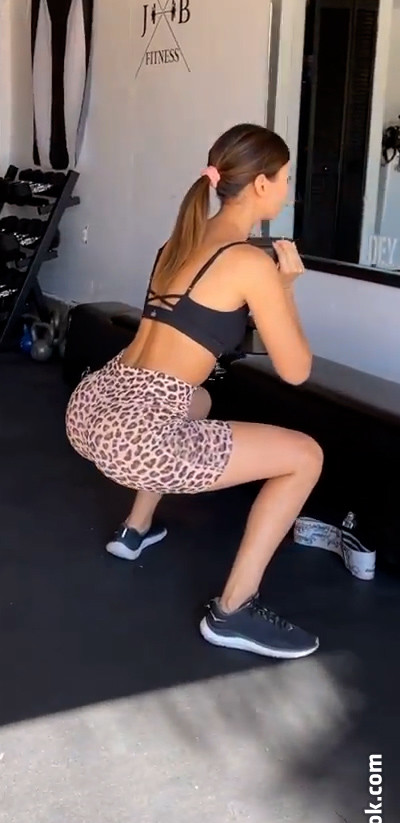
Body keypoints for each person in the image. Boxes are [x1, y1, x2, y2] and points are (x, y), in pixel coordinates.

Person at [65, 123, 323, 659]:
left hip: (93, 406)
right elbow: (296, 370)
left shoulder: (179, 240)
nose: (288, 191)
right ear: (260, 185)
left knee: (198, 401)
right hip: (137, 440)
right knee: (306, 457)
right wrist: (285, 291)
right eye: (285, 179)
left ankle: (136, 528)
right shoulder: (249, 262)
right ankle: (234, 610)